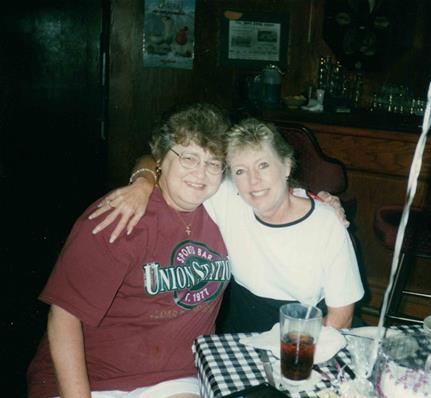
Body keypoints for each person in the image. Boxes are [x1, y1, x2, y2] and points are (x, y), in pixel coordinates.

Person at [27, 103, 231, 398]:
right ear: (161, 158)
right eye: (189, 158)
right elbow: (64, 316)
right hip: (86, 378)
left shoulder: (225, 214)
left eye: (214, 163)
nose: (201, 173)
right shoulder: (121, 215)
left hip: (172, 379)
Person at [91, 118, 364, 333]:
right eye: (240, 171)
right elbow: (157, 158)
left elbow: (341, 318)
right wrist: (142, 182)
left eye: (263, 165)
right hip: (242, 331)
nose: (253, 181)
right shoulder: (227, 197)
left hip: (306, 335)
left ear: (287, 165)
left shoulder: (326, 223)